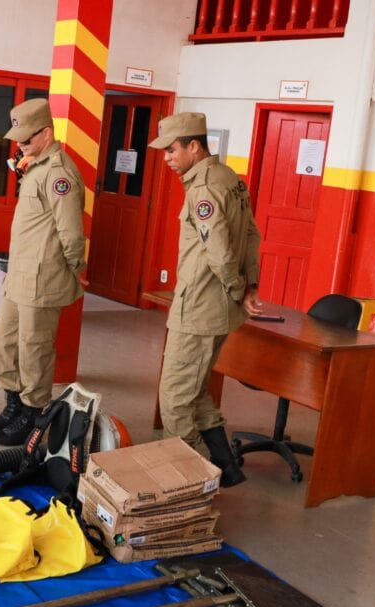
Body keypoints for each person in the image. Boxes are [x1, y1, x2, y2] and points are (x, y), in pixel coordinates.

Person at [149, 112, 261, 488]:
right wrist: (249, 287)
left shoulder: (203, 189)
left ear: (194, 147)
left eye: (172, 149)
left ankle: (192, 482)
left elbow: (222, 253)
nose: (166, 157)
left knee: (174, 401)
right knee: (196, 391)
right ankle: (228, 468)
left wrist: (237, 287)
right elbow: (251, 236)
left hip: (199, 306)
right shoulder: (229, 178)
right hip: (218, 308)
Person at [0, 99, 86, 445]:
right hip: (19, 274)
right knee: (5, 342)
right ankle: (13, 405)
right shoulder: (36, 166)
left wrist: (76, 269)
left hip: (44, 277)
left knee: (34, 348)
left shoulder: (59, 174)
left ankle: (33, 416)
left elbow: (71, 232)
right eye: (18, 138)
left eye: (26, 137)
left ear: (47, 133)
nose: (20, 144)